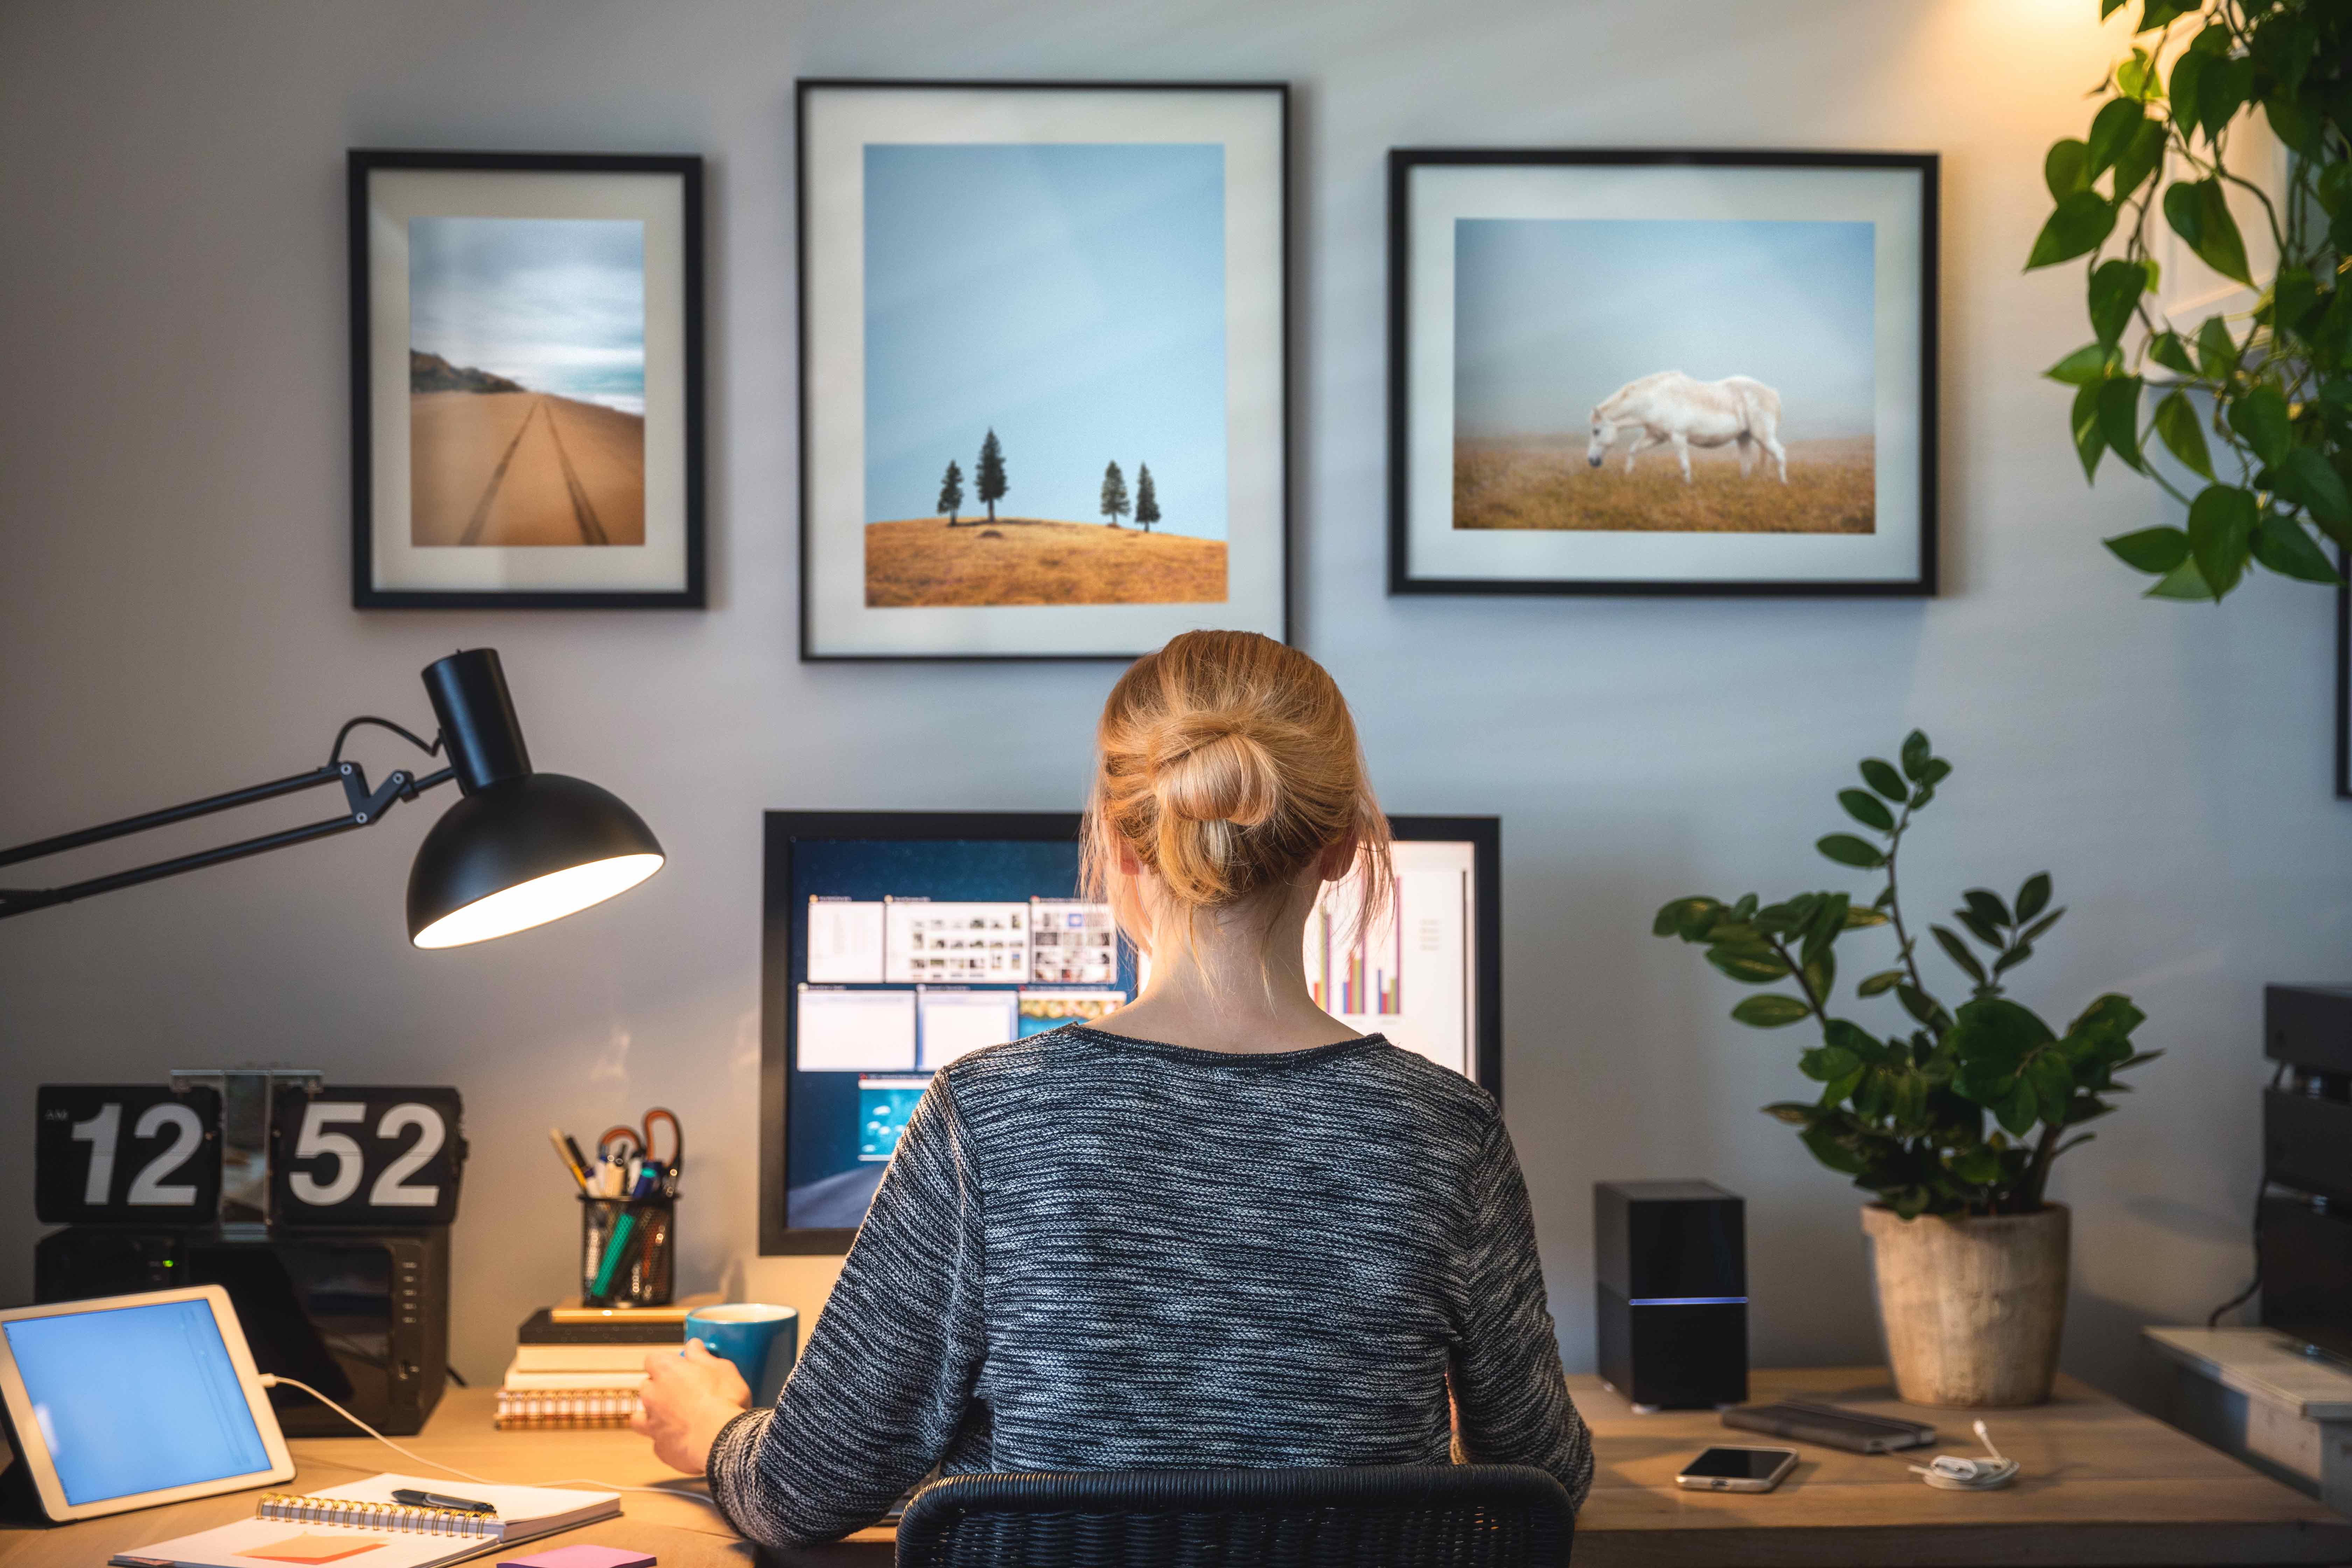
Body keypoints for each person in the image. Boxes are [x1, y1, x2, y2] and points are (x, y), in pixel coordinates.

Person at [634, 630, 1593, 1546]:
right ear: (1343, 846)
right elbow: (1543, 1476)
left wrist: (714, 1429)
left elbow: (803, 1492)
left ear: (1123, 846)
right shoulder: (1447, 1130)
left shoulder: (987, 1116)